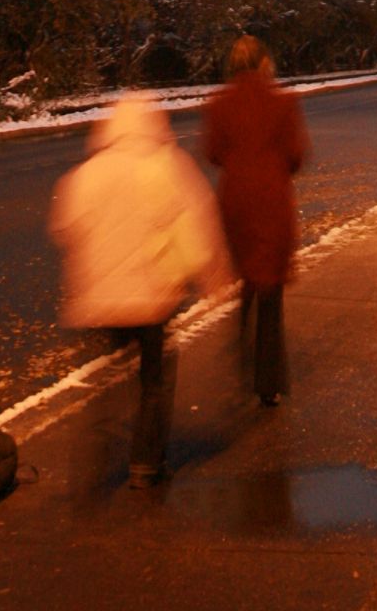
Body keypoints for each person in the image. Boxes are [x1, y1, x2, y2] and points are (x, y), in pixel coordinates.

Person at [49, 95, 228, 488]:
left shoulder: (88, 172)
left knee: (106, 386)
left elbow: (63, 228)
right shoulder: (165, 167)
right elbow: (197, 220)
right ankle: (146, 464)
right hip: (151, 297)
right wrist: (213, 275)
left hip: (99, 301)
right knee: (154, 380)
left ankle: (90, 471)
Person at [202, 35, 309, 407]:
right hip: (270, 199)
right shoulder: (282, 103)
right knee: (270, 288)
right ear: (265, 62)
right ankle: (268, 380)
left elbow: (213, 152)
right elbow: (296, 155)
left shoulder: (218, 105)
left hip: (234, 200)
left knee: (247, 271)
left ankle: (241, 342)